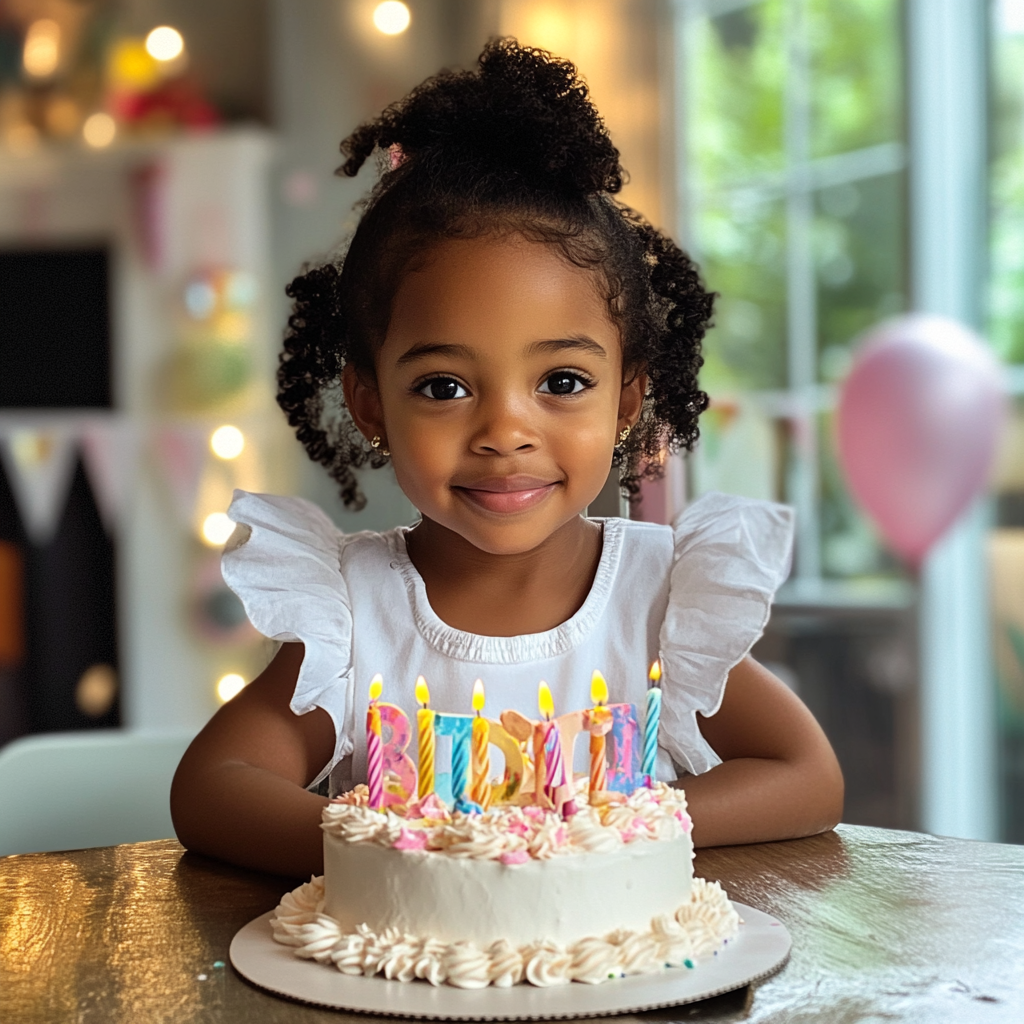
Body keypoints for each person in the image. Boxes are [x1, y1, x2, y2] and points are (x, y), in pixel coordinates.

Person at [171, 40, 843, 878]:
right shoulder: (352, 612)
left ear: (627, 399)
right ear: (370, 400)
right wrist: (408, 853)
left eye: (561, 380)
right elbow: (213, 786)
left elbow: (807, 778)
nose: (505, 430)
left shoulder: (658, 601)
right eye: (445, 386)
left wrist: (595, 832)